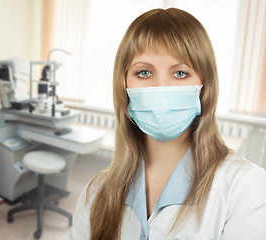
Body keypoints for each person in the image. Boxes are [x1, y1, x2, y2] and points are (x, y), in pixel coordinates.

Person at [68, 7, 266, 240]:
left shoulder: (246, 188)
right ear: (124, 86)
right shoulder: (97, 190)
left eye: (180, 73)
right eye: (143, 72)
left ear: (204, 87)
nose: (160, 88)